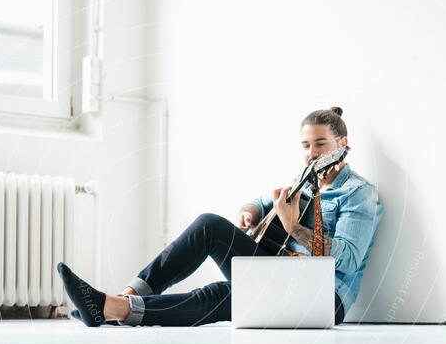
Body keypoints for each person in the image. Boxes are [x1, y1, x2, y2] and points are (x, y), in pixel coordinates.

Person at [58, 106, 383, 327]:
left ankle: (111, 310)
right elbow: (262, 202)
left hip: (324, 298)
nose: (311, 153)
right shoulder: (305, 185)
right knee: (209, 224)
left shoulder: (359, 194)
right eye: (305, 145)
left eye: (320, 144)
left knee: (228, 293)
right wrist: (250, 211)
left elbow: (350, 259)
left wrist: (294, 227)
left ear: (342, 144)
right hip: (283, 272)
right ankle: (125, 297)